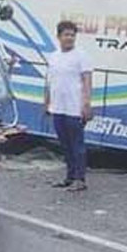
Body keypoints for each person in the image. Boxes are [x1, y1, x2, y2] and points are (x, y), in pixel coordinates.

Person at [45, 20, 93, 192]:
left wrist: (86, 104)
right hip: (58, 107)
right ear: (59, 37)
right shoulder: (53, 56)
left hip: (74, 108)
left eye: (72, 35)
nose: (69, 38)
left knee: (77, 145)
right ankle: (69, 176)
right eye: (66, 35)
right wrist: (47, 102)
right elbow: (49, 81)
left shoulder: (82, 56)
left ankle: (80, 179)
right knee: (64, 145)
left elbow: (87, 81)